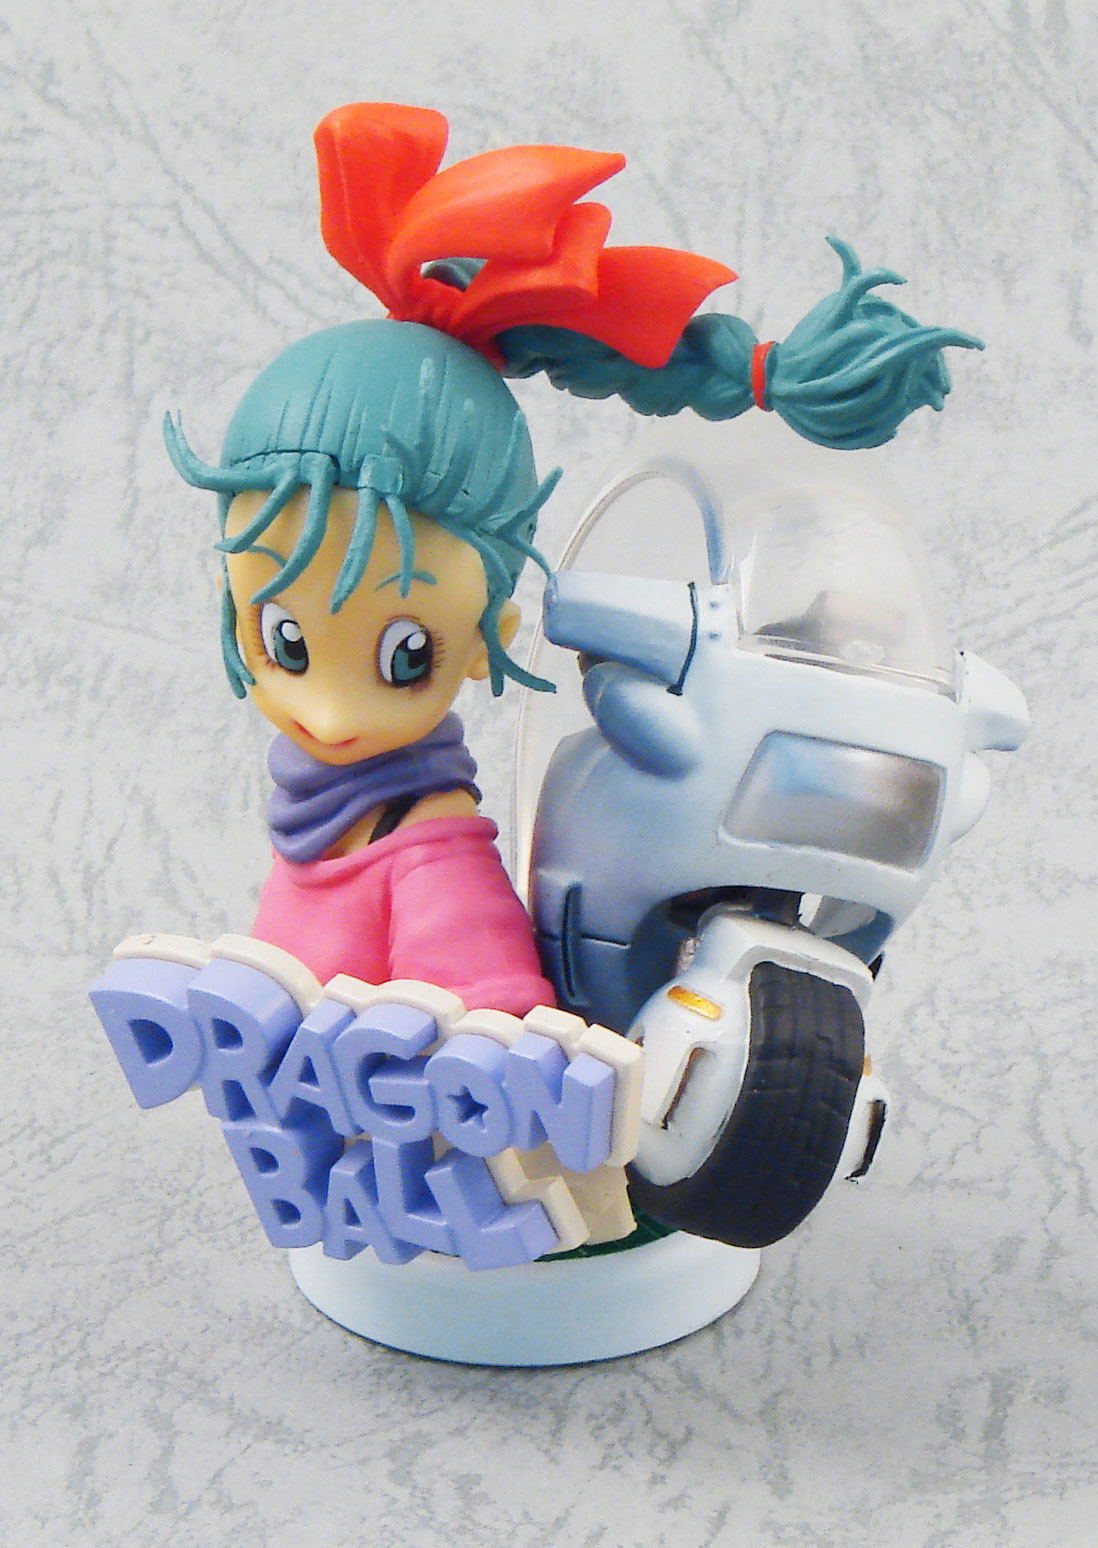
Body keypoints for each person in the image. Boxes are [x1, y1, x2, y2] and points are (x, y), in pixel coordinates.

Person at [164, 102, 977, 1015]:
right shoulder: (316, 815)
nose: (330, 711)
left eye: (406, 656)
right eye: (284, 640)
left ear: (491, 632)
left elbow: (486, 1011)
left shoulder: (428, 855)